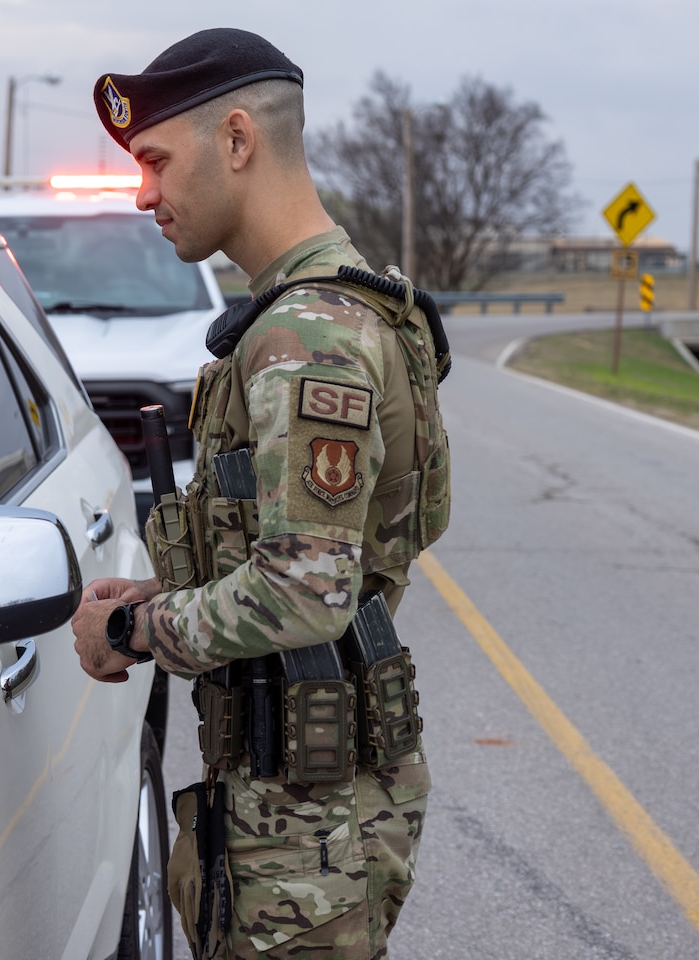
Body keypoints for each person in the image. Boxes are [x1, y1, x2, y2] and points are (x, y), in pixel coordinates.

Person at [71, 27, 451, 960]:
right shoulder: (345, 304)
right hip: (305, 798)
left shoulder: (307, 335)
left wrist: (127, 633)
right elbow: (344, 554)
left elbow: (306, 590)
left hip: (305, 822)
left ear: (237, 139)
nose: (144, 193)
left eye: (156, 161)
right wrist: (164, 593)